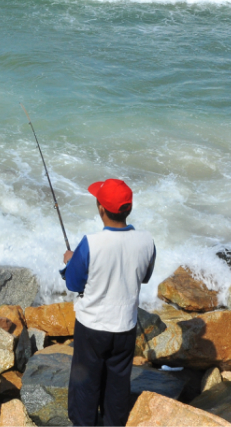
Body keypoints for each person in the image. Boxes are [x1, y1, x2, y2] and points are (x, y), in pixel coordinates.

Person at [62, 179, 156, 426]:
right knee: (117, 388)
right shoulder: (147, 242)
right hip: (125, 327)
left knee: (85, 388)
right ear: (128, 209)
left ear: (101, 209)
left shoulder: (90, 244)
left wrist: (70, 262)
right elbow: (144, 276)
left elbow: (73, 284)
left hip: (91, 327)